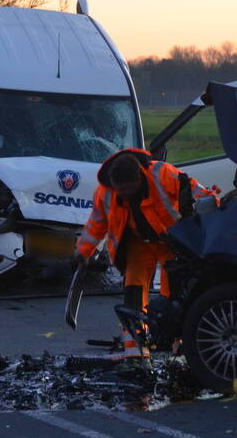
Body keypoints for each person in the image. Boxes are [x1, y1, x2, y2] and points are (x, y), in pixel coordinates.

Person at [73, 149, 218, 358]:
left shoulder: (162, 174)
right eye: (118, 189)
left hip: (171, 241)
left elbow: (201, 194)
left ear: (138, 179)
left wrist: (211, 214)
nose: (121, 194)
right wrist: (83, 251)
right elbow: (96, 223)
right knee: (133, 291)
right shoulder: (106, 193)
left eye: (125, 189)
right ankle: (135, 349)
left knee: (175, 294)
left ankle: (178, 343)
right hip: (138, 243)